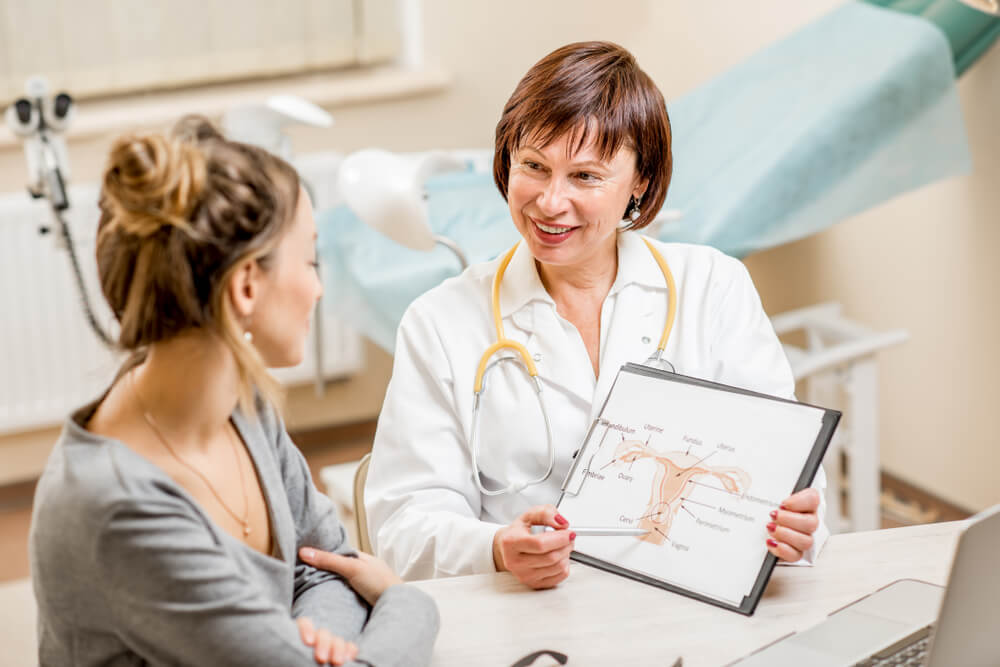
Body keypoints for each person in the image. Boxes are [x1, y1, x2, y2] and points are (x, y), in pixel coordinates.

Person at [365, 41, 829, 588]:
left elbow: (784, 469)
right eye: (534, 166)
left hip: (686, 603)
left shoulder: (713, 288)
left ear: (641, 183)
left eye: (585, 177)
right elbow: (402, 525)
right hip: (521, 615)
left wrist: (799, 525)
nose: (550, 202)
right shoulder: (441, 323)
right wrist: (495, 547)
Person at [28, 117, 438, 665]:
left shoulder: (240, 404)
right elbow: (362, 586)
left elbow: (326, 563)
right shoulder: (118, 509)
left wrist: (311, 644)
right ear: (247, 285)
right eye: (311, 261)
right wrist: (404, 600)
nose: (318, 288)